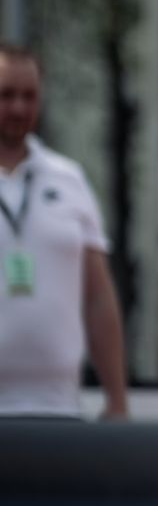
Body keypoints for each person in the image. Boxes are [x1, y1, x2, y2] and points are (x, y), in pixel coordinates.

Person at [0, 42, 128, 420]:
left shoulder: (69, 179)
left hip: (58, 407)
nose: (19, 108)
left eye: (29, 96)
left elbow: (99, 299)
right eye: (6, 95)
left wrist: (117, 400)